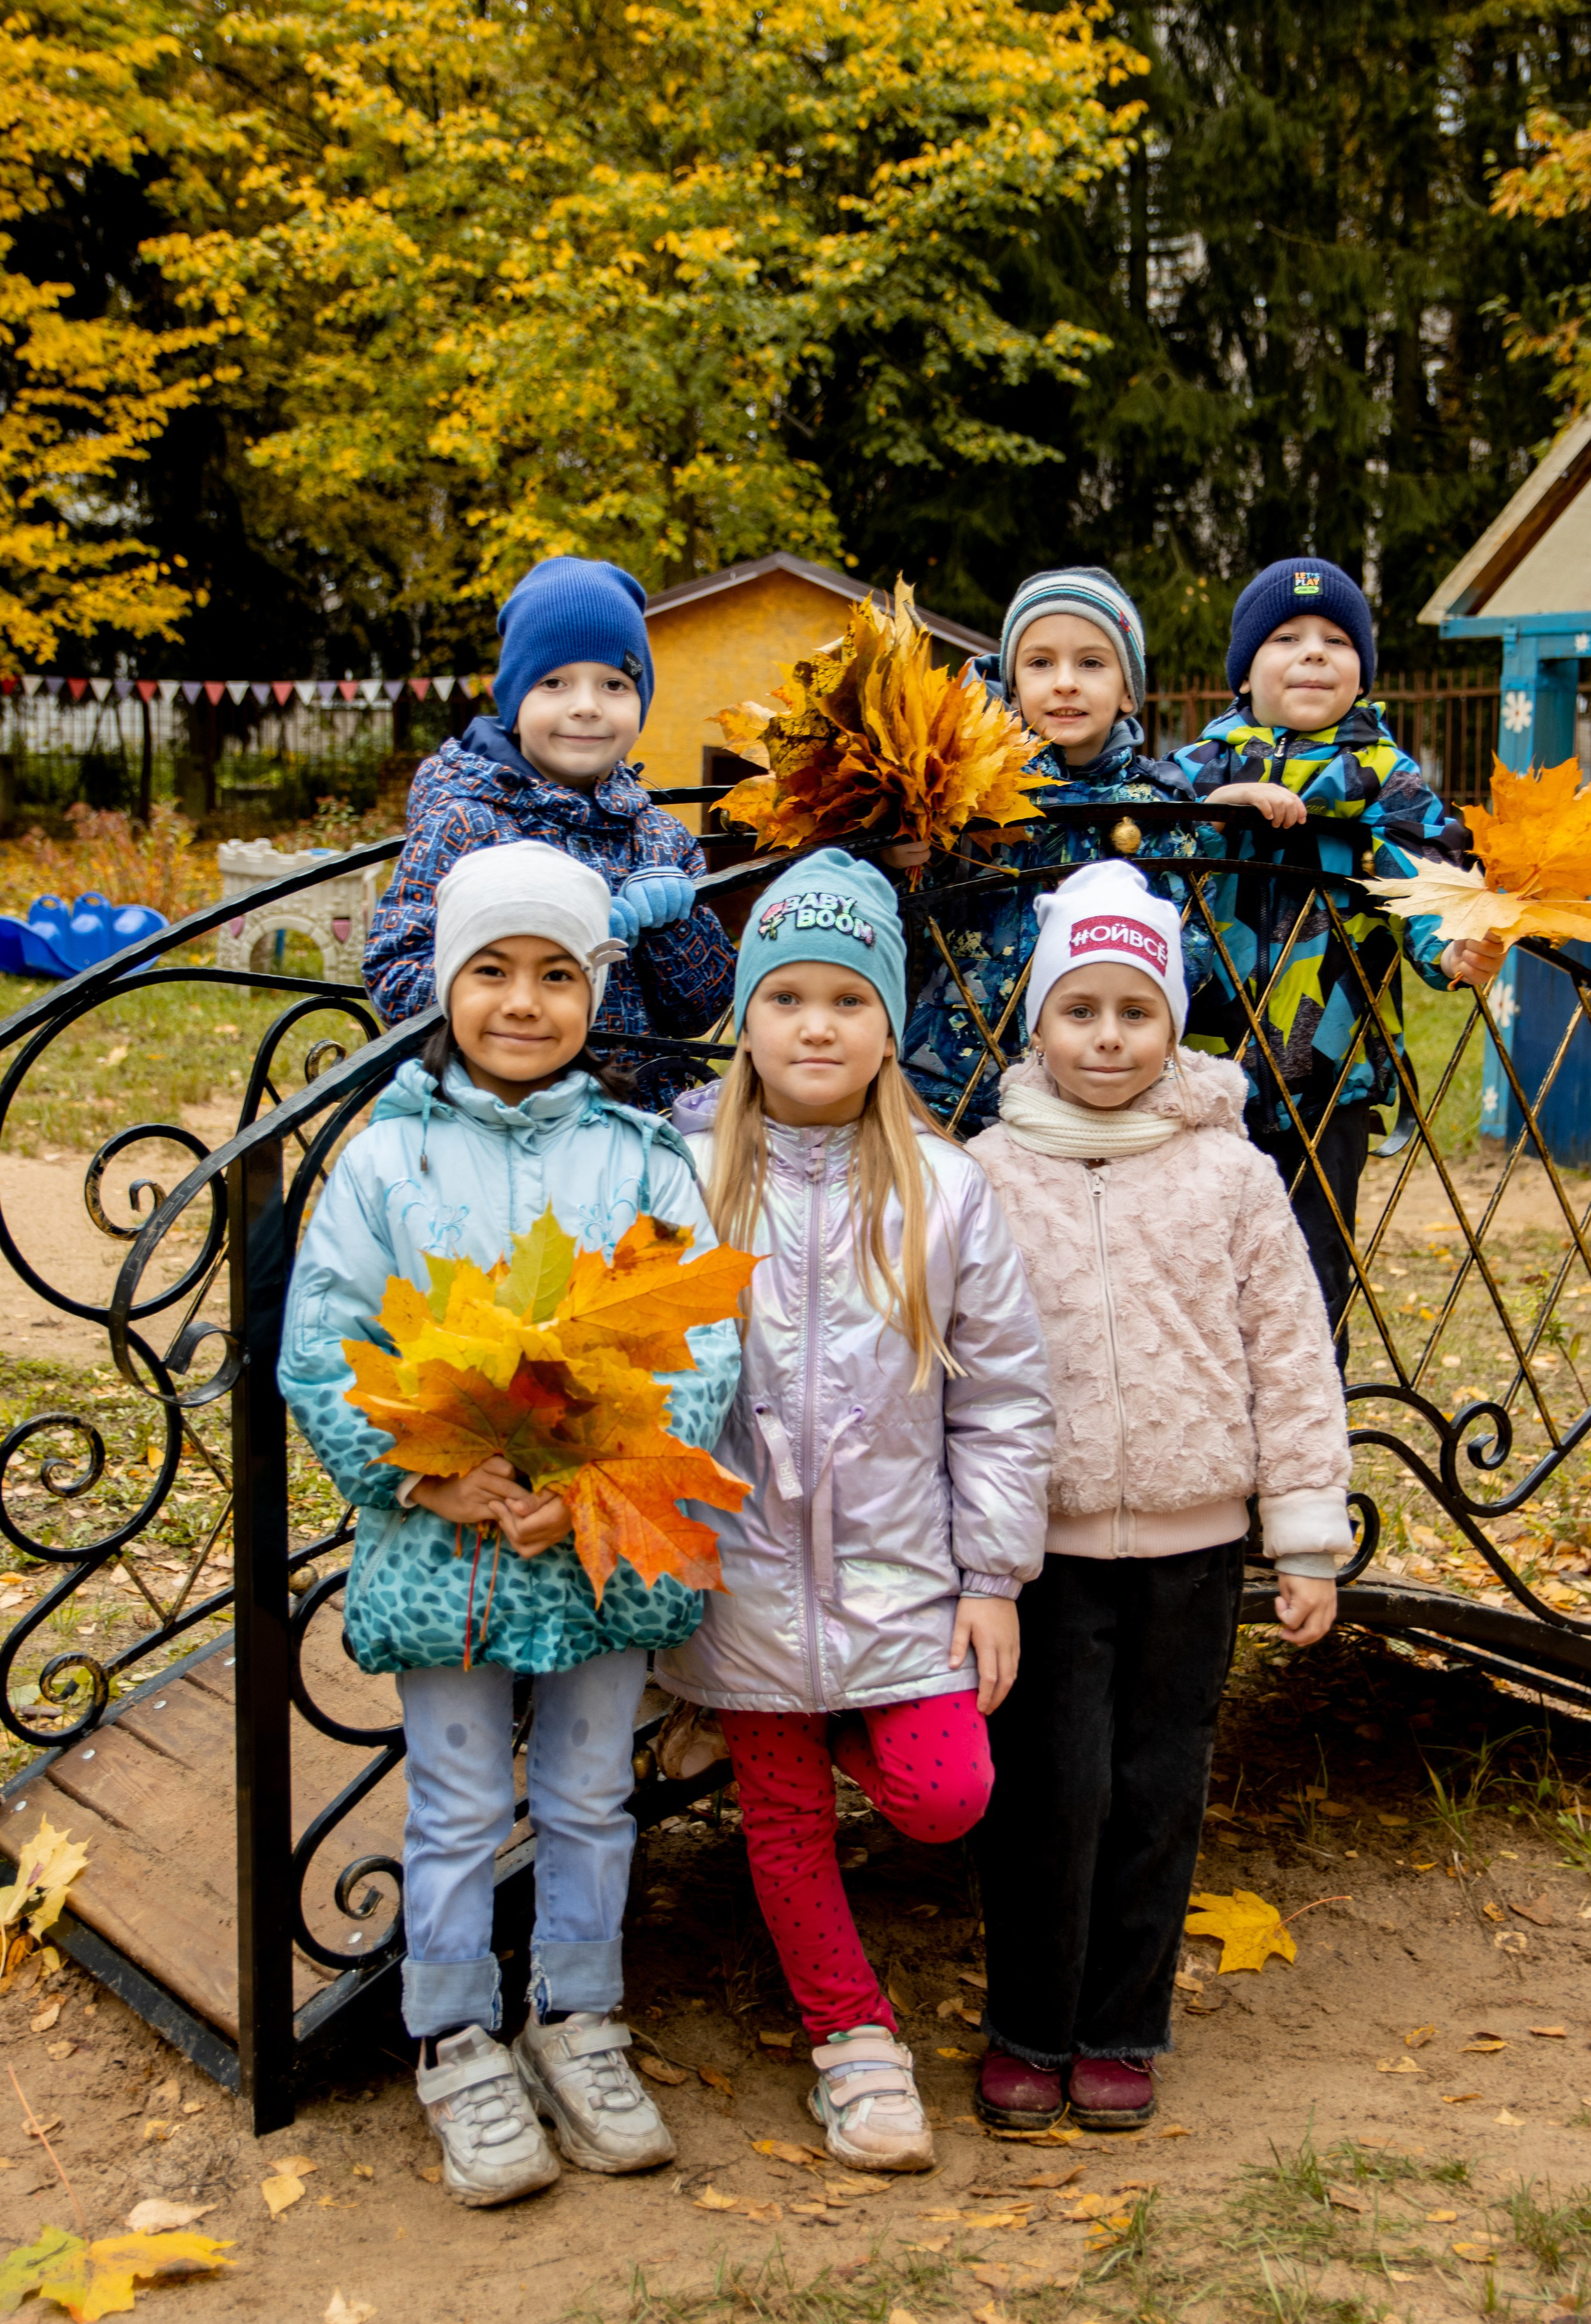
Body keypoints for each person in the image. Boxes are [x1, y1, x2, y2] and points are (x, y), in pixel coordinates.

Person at [280, 843, 742, 2207]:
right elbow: (324, 1344)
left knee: (592, 1795)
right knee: (462, 1802)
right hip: (450, 1548)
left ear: (595, 993)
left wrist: (589, 1475)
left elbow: (705, 1343)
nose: (524, 1003)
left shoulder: (642, 1158)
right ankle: (455, 2039)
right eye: (492, 971)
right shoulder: (388, 1159)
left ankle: (580, 2017)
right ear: (446, 985)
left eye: (556, 975)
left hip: (591, 1546)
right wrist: (418, 1475)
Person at [658, 852, 1054, 2172]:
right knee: (782, 1822)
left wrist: (991, 1579)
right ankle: (853, 2042)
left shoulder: (945, 1190)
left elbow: (1002, 1399)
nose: (815, 1027)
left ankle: (806, 1715)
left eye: (847, 1000)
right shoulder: (684, 1174)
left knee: (946, 1794)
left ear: (890, 1025)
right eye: (785, 998)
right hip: (742, 1574)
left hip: (900, 1572)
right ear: (746, 1021)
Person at [966, 860, 1353, 2132]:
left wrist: (1305, 1533)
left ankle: (1121, 2028)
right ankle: (1030, 2024)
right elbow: (953, 1362)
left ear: (1173, 1024)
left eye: (1136, 1011)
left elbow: (1290, 1353)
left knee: (1155, 1787)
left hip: (1194, 1545)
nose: (1107, 1037)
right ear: (1039, 1021)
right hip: (1046, 1547)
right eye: (1078, 1010)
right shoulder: (988, 1173)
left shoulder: (1229, 1176)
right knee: (1051, 1789)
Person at [1170, 558, 1500, 1344]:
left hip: (1328, 1073)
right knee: (1195, 1270)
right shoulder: (1195, 770)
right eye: (1286, 638)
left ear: (1362, 673)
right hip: (1197, 1073)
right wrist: (1217, 811)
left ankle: (1315, 1419)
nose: (1313, 652)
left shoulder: (1390, 779)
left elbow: (1427, 876)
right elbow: (1148, 867)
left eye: (1335, 640)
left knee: (1312, 1277)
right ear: (1243, 673)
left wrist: (1450, 948)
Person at [363, 555, 736, 1108]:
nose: (586, 707)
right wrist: (537, 942)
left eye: (614, 684)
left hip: (640, 1120)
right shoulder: (466, 823)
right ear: (515, 702)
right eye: (554, 683)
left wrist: (675, 928)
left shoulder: (661, 839)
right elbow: (395, 980)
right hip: (506, 1118)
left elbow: (701, 1010)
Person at [899, 567, 1213, 1129]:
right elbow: (907, 917)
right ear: (1013, 685)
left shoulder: (1159, 805)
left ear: (1128, 690)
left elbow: (1191, 944)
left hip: (1099, 1085)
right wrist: (903, 864)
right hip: (956, 1075)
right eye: (1041, 663)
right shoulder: (959, 786)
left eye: (1091, 663)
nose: (1065, 683)